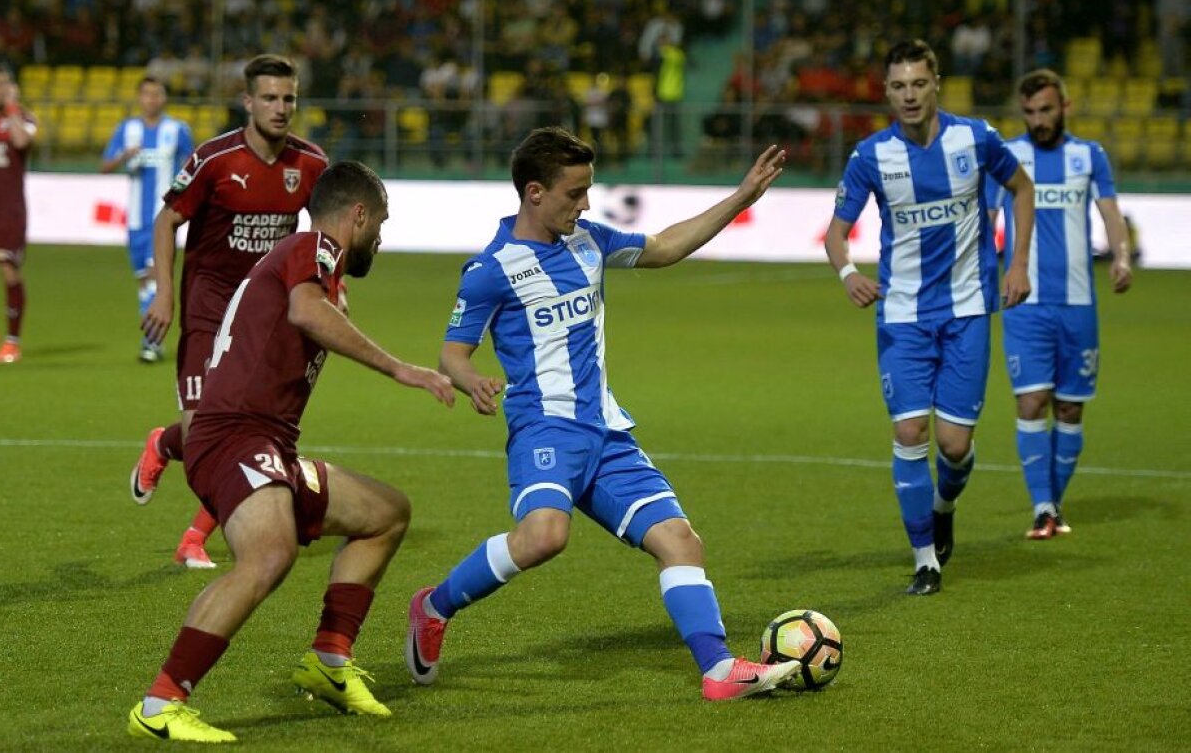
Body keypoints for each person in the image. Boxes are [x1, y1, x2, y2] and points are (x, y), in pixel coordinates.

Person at [404, 127, 801, 702]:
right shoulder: (491, 269)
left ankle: (718, 670)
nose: (586, 204)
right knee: (544, 536)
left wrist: (741, 197)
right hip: (544, 430)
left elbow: (664, 247)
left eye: (588, 190)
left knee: (680, 541)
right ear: (535, 192)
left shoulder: (589, 242)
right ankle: (434, 606)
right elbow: (452, 353)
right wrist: (472, 382)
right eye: (575, 193)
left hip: (608, 433)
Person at [127, 161, 455, 743]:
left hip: (264, 444)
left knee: (385, 514)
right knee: (269, 555)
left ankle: (329, 661)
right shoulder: (313, 247)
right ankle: (160, 704)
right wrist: (400, 369)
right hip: (234, 437)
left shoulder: (310, 262)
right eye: (380, 224)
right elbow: (305, 311)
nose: (381, 238)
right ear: (358, 215)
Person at [822, 40, 1036, 596]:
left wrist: (1017, 264)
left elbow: (1022, 188)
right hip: (902, 316)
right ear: (886, 92)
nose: (909, 95)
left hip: (968, 310)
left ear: (936, 83)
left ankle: (943, 507)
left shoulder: (976, 138)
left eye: (919, 83)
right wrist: (849, 274)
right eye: (899, 86)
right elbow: (836, 234)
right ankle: (925, 560)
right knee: (909, 431)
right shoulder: (871, 156)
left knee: (955, 447)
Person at [129, 54, 329, 570]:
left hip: (263, 317)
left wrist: (334, 284)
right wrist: (164, 294)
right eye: (269, 98)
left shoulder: (311, 164)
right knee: (203, 433)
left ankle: (193, 537)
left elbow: (324, 233)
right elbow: (166, 220)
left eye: (288, 98)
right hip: (209, 305)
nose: (280, 108)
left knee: (250, 432)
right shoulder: (215, 159)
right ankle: (167, 443)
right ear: (247, 102)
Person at [986, 69, 1132, 540]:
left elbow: (1110, 212)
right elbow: (987, 217)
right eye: (1030, 112)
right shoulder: (1008, 156)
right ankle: (1042, 507)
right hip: (1024, 302)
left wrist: (1122, 257)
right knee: (1031, 401)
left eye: (1046, 110)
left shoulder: (1089, 156)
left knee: (1069, 409)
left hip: (1077, 303)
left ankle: (1053, 504)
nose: (1038, 120)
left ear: (1065, 107)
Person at [101, 77, 195, 363]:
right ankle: (153, 338)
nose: (152, 99)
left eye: (157, 93)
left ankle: (151, 342)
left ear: (164, 98)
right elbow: (105, 166)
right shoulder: (126, 129)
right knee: (143, 281)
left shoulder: (177, 130)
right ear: (139, 98)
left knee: (156, 277)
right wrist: (124, 156)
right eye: (147, 94)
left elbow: (193, 165)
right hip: (135, 220)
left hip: (163, 218)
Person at [0, 62, 37, 364]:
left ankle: (12, 342)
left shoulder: (24, 119)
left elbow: (21, 141)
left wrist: (11, 108)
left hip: (8, 210)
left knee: (8, 269)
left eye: (2, 84)